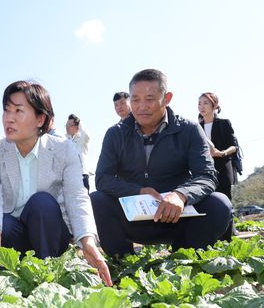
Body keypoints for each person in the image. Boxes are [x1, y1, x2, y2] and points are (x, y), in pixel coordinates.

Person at [0, 80, 112, 286]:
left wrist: (87, 242)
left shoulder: (63, 149)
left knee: (42, 202)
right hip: (13, 235)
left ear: (40, 119)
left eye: (18, 111)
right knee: (3, 221)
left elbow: (77, 196)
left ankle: (49, 274)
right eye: (6, 110)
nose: (9, 118)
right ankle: (14, 274)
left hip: (49, 232)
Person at [91, 69, 232, 258]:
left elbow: (206, 175)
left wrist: (181, 195)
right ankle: (122, 262)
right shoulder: (115, 134)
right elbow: (102, 179)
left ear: (167, 98)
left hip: (177, 218)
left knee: (219, 203)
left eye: (149, 99)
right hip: (134, 220)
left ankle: (184, 257)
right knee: (96, 199)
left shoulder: (189, 129)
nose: (141, 107)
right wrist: (138, 191)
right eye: (135, 100)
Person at [198, 92, 238, 240]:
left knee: (225, 201)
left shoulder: (224, 123)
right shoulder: (196, 127)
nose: (201, 106)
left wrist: (221, 153)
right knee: (207, 202)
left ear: (214, 105)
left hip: (222, 165)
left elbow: (234, 146)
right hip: (204, 170)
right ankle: (211, 237)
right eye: (199, 103)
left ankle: (227, 239)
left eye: (205, 103)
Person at [65, 114, 91, 192]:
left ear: (77, 126)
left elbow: (85, 133)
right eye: (66, 125)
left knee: (84, 201)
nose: (67, 127)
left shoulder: (82, 139)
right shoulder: (64, 140)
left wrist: (78, 121)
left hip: (82, 174)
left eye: (70, 125)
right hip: (69, 176)